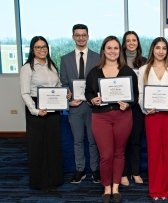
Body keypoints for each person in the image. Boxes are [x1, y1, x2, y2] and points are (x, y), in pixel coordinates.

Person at [85, 36, 138, 203]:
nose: (113, 51)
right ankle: (106, 187)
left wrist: (128, 104)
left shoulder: (127, 71)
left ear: (119, 51)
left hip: (122, 116)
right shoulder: (94, 72)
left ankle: (115, 187)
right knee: (106, 155)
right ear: (103, 50)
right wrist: (92, 100)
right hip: (101, 117)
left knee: (119, 153)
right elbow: (88, 93)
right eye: (109, 48)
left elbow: (135, 96)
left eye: (116, 48)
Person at [138, 37, 168, 200]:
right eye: (158, 48)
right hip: (152, 116)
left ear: (167, 51)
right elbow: (141, 95)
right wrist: (145, 107)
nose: (161, 51)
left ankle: (167, 189)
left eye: (164, 48)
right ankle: (155, 189)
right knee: (154, 153)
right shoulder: (143, 69)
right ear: (152, 49)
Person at [20, 36, 64, 191]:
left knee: (53, 144)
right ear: (32, 49)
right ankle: (40, 181)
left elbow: (57, 85)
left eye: (44, 46)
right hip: (36, 109)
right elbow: (25, 93)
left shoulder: (52, 65)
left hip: (53, 109)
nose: (41, 49)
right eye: (38, 47)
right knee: (38, 146)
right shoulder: (27, 68)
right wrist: (36, 110)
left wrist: (67, 94)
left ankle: (54, 179)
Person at [60, 24, 100, 184]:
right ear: (73, 37)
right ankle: (80, 170)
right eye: (78, 35)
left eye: (84, 35)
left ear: (88, 36)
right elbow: (63, 83)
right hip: (75, 106)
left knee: (93, 140)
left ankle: (95, 170)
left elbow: (100, 81)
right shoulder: (65, 59)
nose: (81, 38)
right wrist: (69, 98)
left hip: (93, 106)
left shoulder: (98, 57)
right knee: (77, 140)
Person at [120, 31, 147, 186]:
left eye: (134, 40)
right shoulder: (118, 61)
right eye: (128, 40)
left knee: (136, 141)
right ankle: (123, 173)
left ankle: (135, 172)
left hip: (137, 107)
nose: (131, 43)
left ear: (138, 43)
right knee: (122, 141)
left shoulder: (144, 62)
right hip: (121, 106)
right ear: (124, 43)